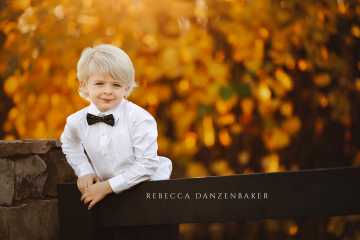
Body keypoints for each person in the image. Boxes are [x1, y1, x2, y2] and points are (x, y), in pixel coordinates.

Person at [60, 44, 172, 210]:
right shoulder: (76, 121)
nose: (108, 91)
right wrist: (84, 171)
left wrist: (106, 187)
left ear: (126, 88)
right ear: (84, 85)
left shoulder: (140, 118)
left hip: (148, 193)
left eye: (116, 85)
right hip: (108, 197)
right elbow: (69, 144)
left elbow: (147, 165)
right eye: (99, 83)